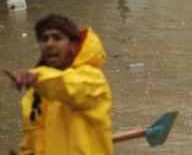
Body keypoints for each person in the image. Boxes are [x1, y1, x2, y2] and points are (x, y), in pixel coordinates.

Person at [4, 14, 112, 155]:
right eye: (44, 39)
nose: (49, 44)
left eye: (57, 38)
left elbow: (67, 87)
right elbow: (32, 142)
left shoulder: (93, 80)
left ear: (73, 45)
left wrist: (37, 78)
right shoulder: (34, 94)